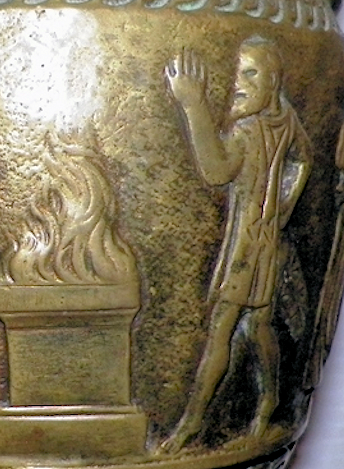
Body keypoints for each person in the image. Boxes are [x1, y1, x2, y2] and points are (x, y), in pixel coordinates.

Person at [161, 36, 312, 452]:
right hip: (265, 243)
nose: (238, 84)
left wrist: (193, 105)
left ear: (273, 81)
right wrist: (281, 211)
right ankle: (268, 403)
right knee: (257, 325)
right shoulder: (284, 119)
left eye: (250, 74)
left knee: (223, 328)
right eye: (238, 74)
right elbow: (303, 159)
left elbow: (215, 171)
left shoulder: (248, 130)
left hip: (247, 247)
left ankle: (191, 424)